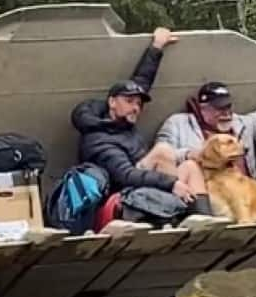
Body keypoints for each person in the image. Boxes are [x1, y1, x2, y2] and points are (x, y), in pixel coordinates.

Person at [71, 27, 212, 214]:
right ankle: (181, 213)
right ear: (112, 102)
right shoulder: (97, 137)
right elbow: (125, 175)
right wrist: (172, 184)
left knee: (190, 166)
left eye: (138, 103)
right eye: (129, 102)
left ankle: (204, 221)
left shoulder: (122, 122)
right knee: (162, 152)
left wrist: (156, 46)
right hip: (124, 198)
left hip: (144, 187)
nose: (136, 107)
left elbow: (141, 81)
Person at [153, 81, 256, 178]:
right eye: (220, 108)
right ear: (202, 108)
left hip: (247, 194)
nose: (227, 113)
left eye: (228, 106)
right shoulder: (178, 123)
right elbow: (159, 156)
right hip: (201, 193)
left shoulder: (243, 123)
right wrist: (189, 154)